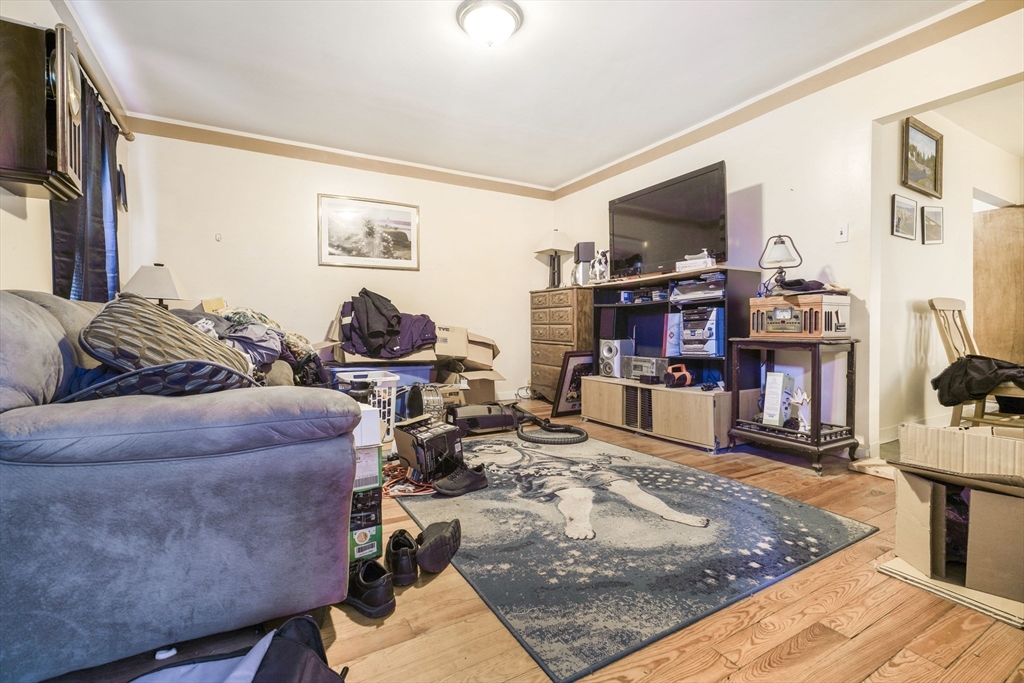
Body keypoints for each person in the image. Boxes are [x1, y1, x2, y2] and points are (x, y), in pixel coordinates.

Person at [466, 439, 709, 540]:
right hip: (547, 477)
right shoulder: (500, 462)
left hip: (580, 466)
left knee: (623, 485)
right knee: (579, 493)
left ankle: (671, 513)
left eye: (497, 445)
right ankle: (577, 521)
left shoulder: (530, 450)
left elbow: (563, 453)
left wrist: (601, 459)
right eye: (487, 448)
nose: (495, 448)